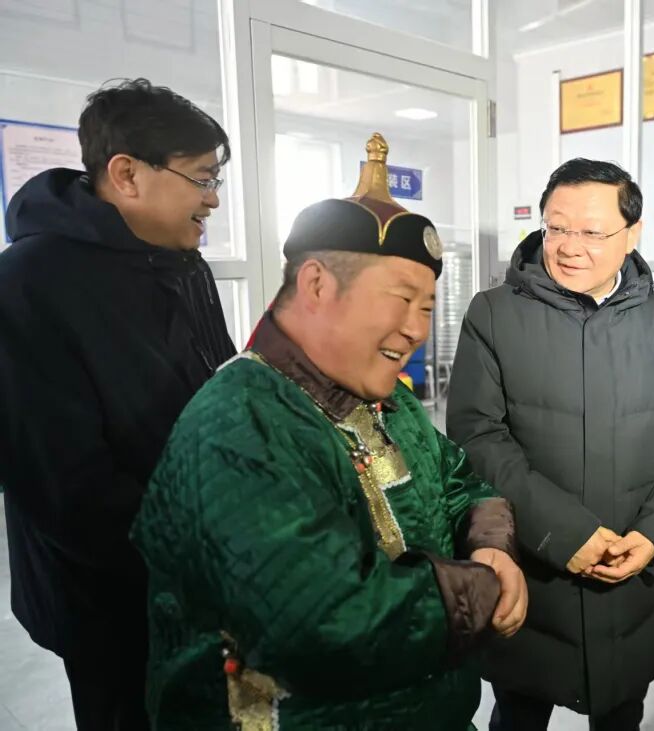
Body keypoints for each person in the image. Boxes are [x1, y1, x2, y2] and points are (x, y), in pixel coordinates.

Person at [130, 134, 526, 730]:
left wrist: (491, 543)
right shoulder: (239, 422)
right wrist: (483, 589)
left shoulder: (389, 400)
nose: (416, 329)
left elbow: (457, 479)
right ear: (316, 284)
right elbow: (322, 621)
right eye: (401, 299)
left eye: (427, 307)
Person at [447, 157, 654, 730]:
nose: (569, 247)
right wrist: (562, 533)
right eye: (556, 227)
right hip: (532, 577)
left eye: (592, 232)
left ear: (632, 233)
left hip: (631, 572)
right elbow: (478, 437)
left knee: (621, 712)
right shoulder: (493, 314)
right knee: (518, 713)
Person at [0, 78, 235, 730]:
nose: (213, 199)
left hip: (203, 575)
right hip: (108, 598)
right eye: (201, 179)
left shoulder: (184, 264)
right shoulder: (28, 285)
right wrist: (198, 555)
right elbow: (63, 489)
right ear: (127, 174)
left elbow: (218, 386)